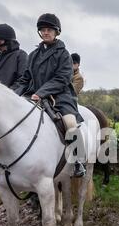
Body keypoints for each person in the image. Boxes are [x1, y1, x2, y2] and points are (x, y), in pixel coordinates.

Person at [14, 13, 86, 177]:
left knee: (70, 122)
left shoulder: (63, 54)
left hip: (59, 96)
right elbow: (25, 78)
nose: (46, 32)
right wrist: (12, 95)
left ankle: (77, 160)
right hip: (33, 95)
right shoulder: (33, 55)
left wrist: (41, 93)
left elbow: (62, 79)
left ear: (56, 32)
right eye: (43, 30)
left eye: (49, 30)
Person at [0, 23, 28, 88]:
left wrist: (6, 94)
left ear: (2, 41)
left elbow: (23, 81)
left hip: (12, 97)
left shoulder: (21, 55)